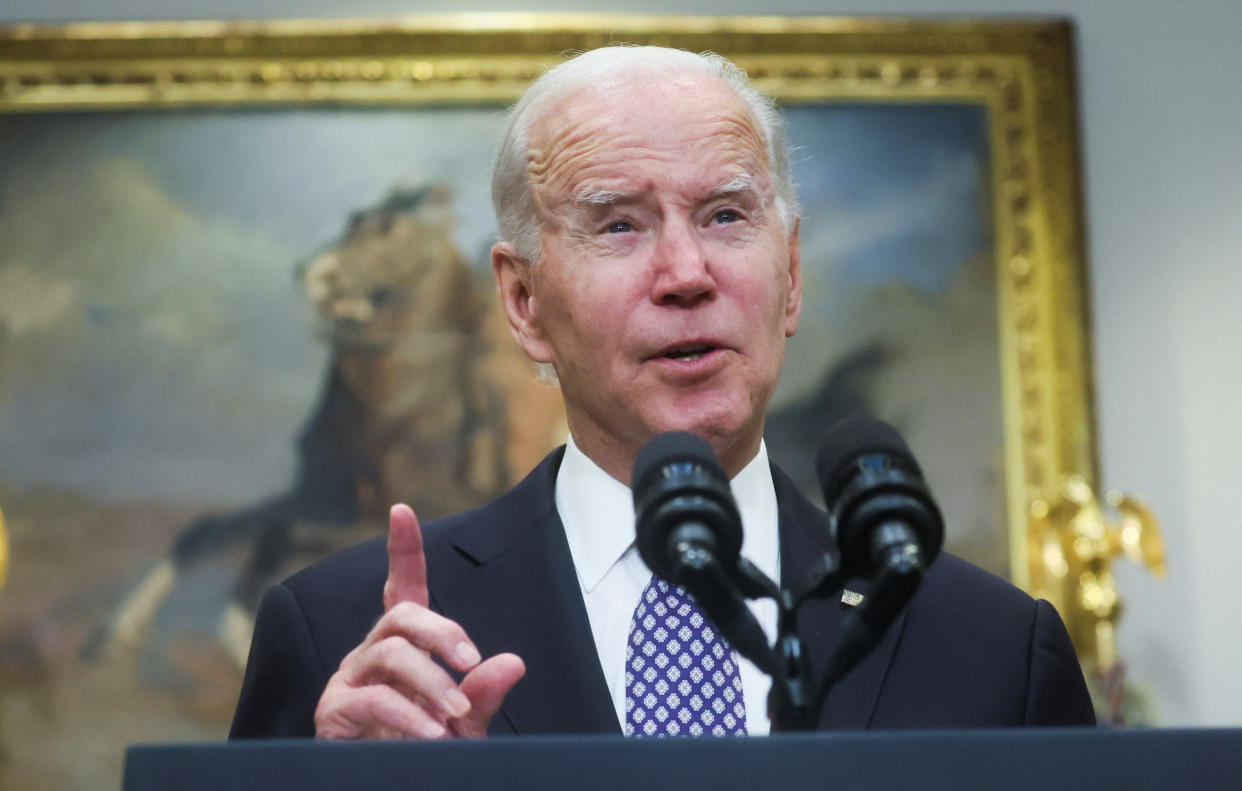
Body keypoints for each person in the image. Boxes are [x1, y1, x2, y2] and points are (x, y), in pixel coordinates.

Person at [230, 45, 1094, 740]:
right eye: (618, 224)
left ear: (789, 275)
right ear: (524, 302)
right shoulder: (342, 640)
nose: (687, 273)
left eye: (725, 215)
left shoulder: (994, 649)